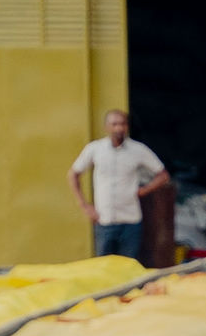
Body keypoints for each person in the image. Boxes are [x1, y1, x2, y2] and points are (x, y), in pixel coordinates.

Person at [68, 109, 168, 260]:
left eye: (122, 124)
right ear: (106, 127)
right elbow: (73, 174)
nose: (119, 128)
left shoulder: (138, 150)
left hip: (131, 220)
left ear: (127, 126)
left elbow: (163, 175)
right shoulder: (95, 149)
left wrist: (145, 190)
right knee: (103, 266)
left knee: (129, 266)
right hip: (105, 220)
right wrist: (85, 205)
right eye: (114, 124)